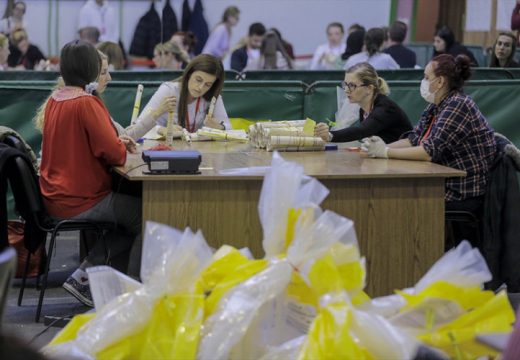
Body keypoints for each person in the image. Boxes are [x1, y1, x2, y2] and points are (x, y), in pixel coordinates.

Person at [39, 40, 141, 306]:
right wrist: (122, 145)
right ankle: (133, 297)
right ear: (92, 68)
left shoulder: (55, 99)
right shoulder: (86, 102)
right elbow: (115, 154)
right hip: (80, 199)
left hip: (55, 195)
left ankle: (87, 275)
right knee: (149, 214)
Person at [361, 54, 496, 224]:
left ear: (440, 82)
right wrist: (378, 147)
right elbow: (413, 139)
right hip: (442, 183)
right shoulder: (436, 105)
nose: (423, 81)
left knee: (392, 202)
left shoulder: (458, 104)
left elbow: (428, 152)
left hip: (459, 191)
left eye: (426, 77)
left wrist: (386, 152)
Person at [315, 62, 411, 143]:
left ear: (369, 88)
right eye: (345, 84)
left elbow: (361, 131)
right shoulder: (363, 109)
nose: (346, 90)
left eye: (352, 85)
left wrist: (330, 135)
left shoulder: (385, 108)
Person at [135, 54, 230, 133]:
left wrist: (219, 127)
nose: (200, 87)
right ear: (189, 74)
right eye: (198, 80)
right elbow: (138, 125)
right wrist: (162, 130)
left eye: (208, 84)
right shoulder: (168, 90)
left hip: (198, 150)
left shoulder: (213, 96)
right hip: (165, 149)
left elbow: (230, 129)